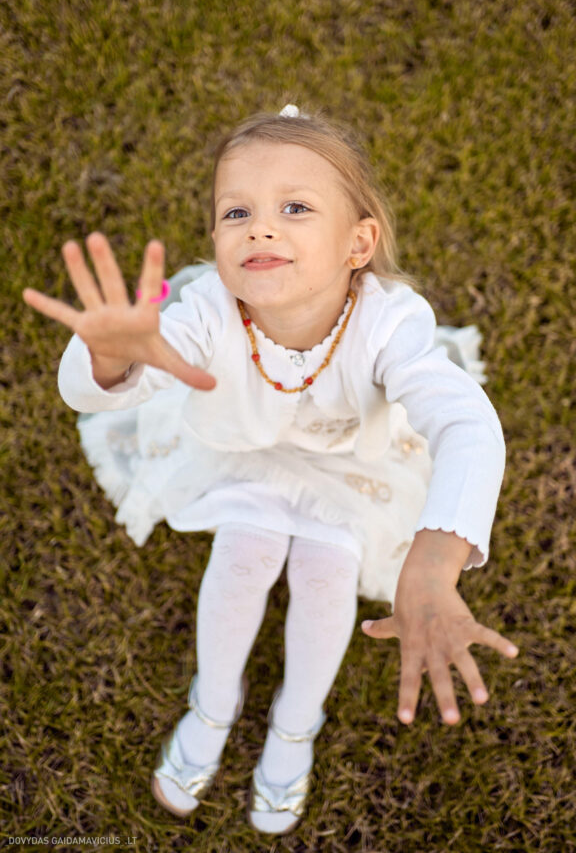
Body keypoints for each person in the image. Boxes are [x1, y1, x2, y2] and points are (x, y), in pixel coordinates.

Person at [23, 105, 519, 836]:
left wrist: (434, 562)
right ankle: (213, 700)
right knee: (243, 555)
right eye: (236, 211)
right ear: (217, 239)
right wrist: (114, 353)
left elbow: (468, 423)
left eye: (294, 208)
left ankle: (296, 724)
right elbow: (92, 388)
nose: (260, 227)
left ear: (359, 243)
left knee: (325, 577)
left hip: (347, 467)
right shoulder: (205, 312)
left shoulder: (390, 324)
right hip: (244, 455)